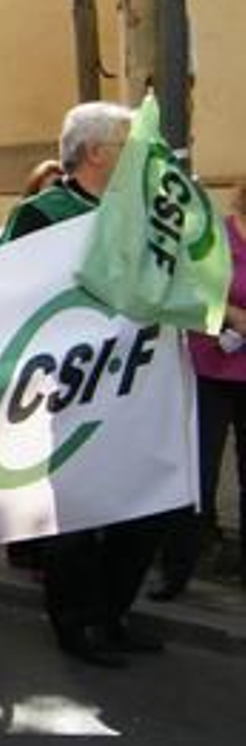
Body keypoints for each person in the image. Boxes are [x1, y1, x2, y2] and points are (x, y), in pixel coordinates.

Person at [0, 101, 164, 665]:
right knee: (76, 513)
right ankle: (77, 623)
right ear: (95, 152)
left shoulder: (138, 210)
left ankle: (113, 611)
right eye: (124, 145)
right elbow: (16, 292)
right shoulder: (42, 212)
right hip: (66, 385)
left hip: (132, 381)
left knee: (143, 505)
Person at [154, 182, 246, 597]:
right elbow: (190, 289)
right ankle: (177, 571)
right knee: (198, 473)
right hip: (211, 367)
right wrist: (233, 315)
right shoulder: (217, 238)